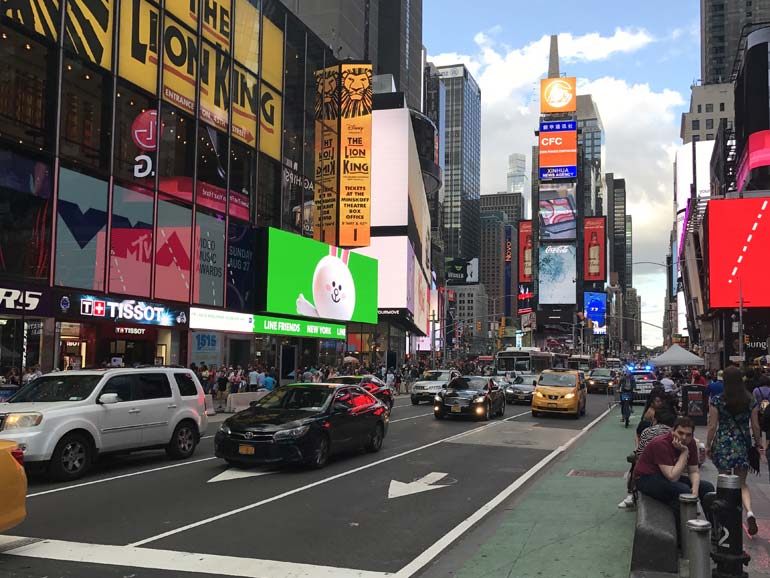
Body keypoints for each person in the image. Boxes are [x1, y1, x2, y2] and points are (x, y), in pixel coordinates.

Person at [707, 366, 762, 536]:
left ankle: (724, 517)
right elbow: (755, 425)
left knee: (723, 481)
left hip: (723, 443)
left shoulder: (717, 400)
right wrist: (758, 443)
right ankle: (749, 512)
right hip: (742, 443)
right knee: (742, 483)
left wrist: (708, 445)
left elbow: (712, 426)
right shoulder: (750, 400)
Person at [635, 416, 715, 510]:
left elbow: (693, 471)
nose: (684, 438)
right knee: (683, 490)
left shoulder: (691, 443)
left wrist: (695, 491)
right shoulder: (661, 443)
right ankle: (681, 517)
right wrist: (684, 453)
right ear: (673, 431)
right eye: (680, 433)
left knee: (707, 487)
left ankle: (710, 518)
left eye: (688, 435)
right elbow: (672, 477)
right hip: (647, 478)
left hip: (666, 476)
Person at [619, 406, 677, 509]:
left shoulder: (648, 431)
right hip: (671, 471)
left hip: (651, 475)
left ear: (655, 419)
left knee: (636, 464)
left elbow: (639, 455)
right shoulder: (676, 434)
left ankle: (631, 493)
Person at [754, 375, 770, 481]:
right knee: (767, 431)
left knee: (758, 427)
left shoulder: (756, 390)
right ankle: (766, 445)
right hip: (768, 411)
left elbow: (753, 401)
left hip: (759, 412)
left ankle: (760, 445)